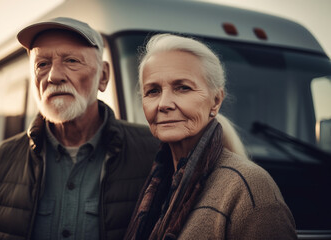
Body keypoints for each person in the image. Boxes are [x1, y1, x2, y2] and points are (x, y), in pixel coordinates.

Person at [0, 17, 159, 240]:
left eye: (71, 61)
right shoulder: (0, 161)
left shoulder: (153, 153)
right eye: (42, 64)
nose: (54, 76)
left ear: (103, 76)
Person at [124, 34, 297, 239]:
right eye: (153, 91)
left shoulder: (249, 187)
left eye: (183, 88)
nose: (164, 104)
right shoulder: (155, 180)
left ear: (216, 101)